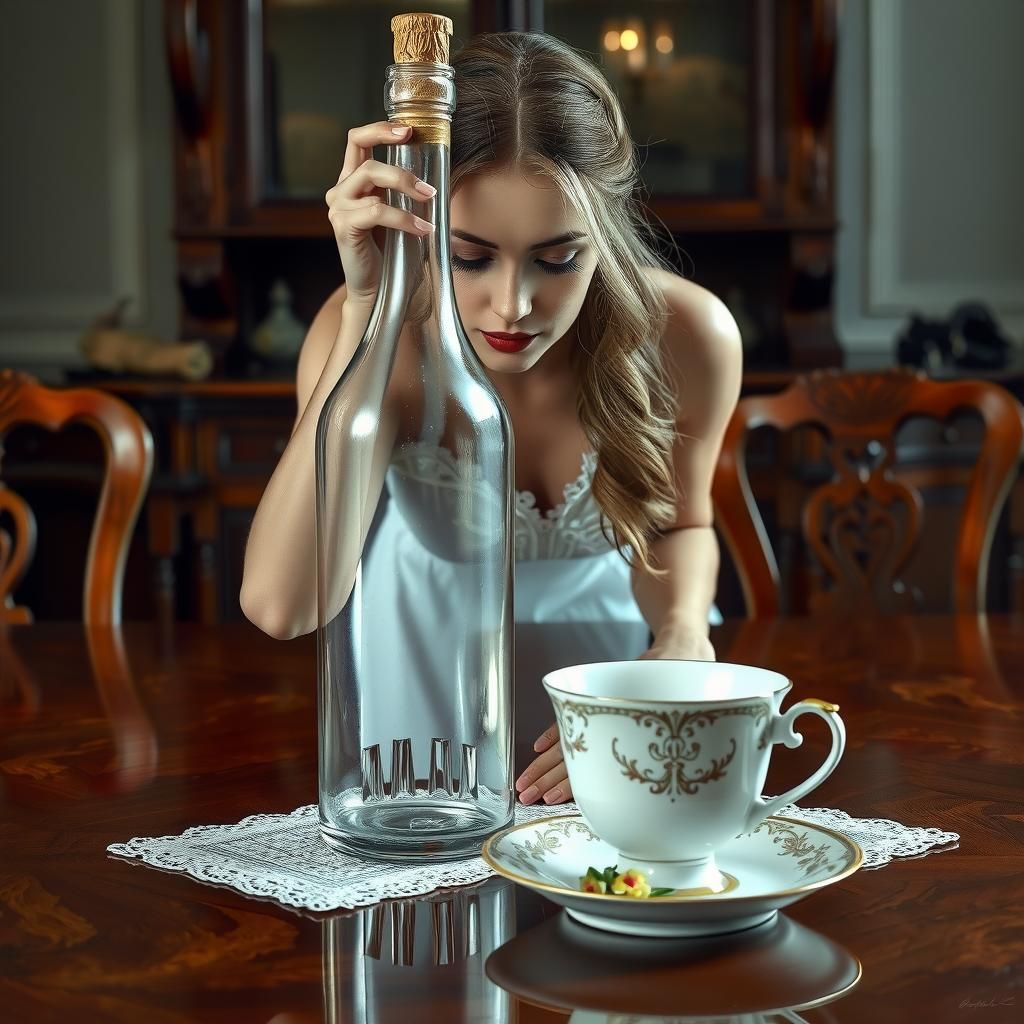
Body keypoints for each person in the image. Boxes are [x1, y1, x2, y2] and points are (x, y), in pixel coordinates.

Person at [240, 32, 742, 809]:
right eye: (470, 257)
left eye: (559, 257)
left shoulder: (689, 335)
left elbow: (678, 525)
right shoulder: (379, 336)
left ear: (604, 232)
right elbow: (283, 605)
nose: (513, 304)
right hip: (424, 712)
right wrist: (370, 312)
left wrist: (678, 649)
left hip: (614, 683)